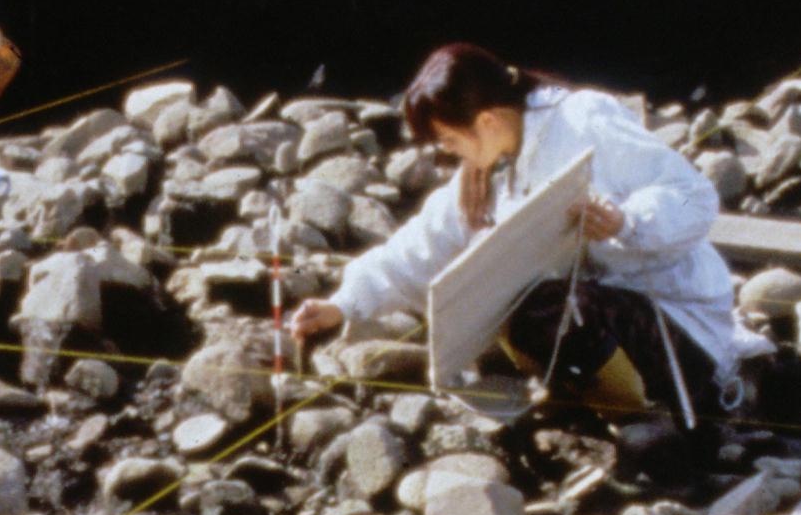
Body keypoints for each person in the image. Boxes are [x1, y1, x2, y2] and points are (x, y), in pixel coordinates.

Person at [280, 44, 761, 431]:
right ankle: (598, 404)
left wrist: (627, 221)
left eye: (450, 141)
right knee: (508, 307)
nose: (448, 155)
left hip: (676, 314)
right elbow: (422, 246)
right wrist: (344, 303)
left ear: (486, 121)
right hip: (604, 313)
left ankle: (654, 417)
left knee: (542, 310)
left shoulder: (583, 119)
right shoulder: (489, 168)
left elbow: (694, 196)